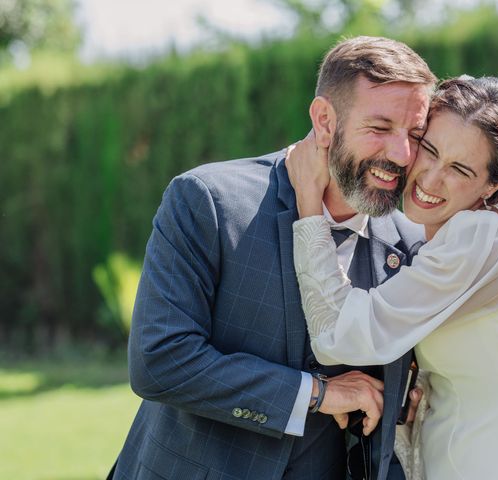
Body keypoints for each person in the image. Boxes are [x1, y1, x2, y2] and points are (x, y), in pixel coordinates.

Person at [108, 36, 437, 480]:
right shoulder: (208, 201)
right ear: (324, 120)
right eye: (379, 129)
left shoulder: (413, 245)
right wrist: (316, 394)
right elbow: (160, 360)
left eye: (415, 135)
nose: (401, 155)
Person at [288, 76, 498, 479]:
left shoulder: (480, 237)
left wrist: (308, 203)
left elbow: (339, 334)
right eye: (429, 149)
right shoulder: (464, 236)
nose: (430, 179)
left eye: (459, 169)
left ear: (492, 187)